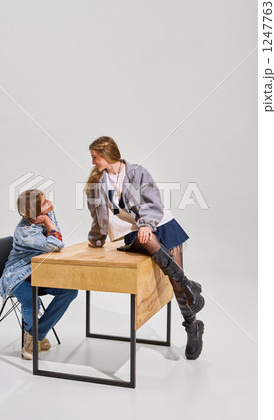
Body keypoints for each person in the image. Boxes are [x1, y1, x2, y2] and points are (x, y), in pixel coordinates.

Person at [85, 136, 204, 360]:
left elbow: (152, 202)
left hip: (161, 224)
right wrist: (97, 238)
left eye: (95, 157)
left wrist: (147, 225)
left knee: (174, 281)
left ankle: (192, 327)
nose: (93, 163)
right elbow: (99, 216)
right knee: (150, 244)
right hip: (137, 233)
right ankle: (190, 285)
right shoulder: (98, 183)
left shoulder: (137, 172)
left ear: (107, 153)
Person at [0, 189, 78, 360]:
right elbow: (57, 244)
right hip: (18, 275)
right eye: (44, 201)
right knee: (31, 301)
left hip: (37, 272)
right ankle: (34, 340)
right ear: (35, 211)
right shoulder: (24, 231)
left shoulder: (43, 217)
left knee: (70, 291)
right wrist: (48, 219)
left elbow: (56, 236)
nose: (49, 202)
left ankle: (35, 336)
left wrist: (48, 217)